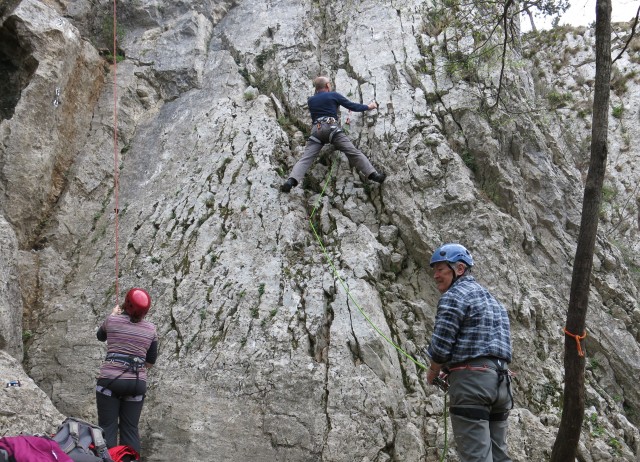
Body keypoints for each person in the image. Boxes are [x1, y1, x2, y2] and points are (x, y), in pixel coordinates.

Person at [424, 243, 513, 462]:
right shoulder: (495, 302)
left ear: (460, 269)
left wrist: (434, 370)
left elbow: (442, 346)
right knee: (499, 456)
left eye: (440, 269)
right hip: (502, 387)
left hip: (472, 387)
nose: (435, 275)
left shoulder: (454, 296)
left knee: (477, 458)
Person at [281, 76, 386, 192]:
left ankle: (291, 181)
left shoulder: (311, 100)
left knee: (306, 158)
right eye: (329, 83)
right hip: (331, 129)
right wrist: (369, 106)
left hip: (316, 131)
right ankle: (373, 175)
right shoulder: (333, 95)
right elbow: (352, 106)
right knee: (353, 152)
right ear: (327, 85)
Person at [96, 288, 158, 458]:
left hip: (110, 381)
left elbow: (100, 336)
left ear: (126, 303)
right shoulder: (151, 330)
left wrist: (113, 315)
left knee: (108, 427)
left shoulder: (112, 320)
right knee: (130, 429)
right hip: (136, 383)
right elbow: (150, 361)